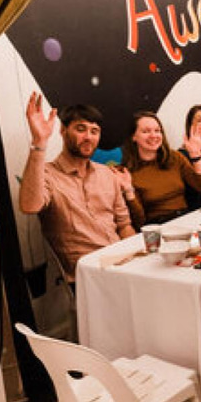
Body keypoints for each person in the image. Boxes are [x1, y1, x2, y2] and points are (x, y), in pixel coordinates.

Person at [18, 94, 134, 281]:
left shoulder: (107, 174)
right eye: (81, 129)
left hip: (122, 266)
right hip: (86, 276)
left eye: (94, 131)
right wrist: (39, 142)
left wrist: (137, 259)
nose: (88, 137)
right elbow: (29, 206)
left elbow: (124, 225)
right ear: (63, 130)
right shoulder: (47, 174)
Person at [116, 111, 201, 227]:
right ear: (133, 136)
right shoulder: (126, 172)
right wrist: (128, 190)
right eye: (146, 131)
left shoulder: (175, 158)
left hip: (186, 219)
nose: (153, 135)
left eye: (157, 131)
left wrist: (196, 155)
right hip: (157, 227)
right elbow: (139, 221)